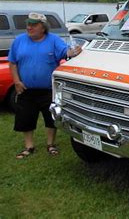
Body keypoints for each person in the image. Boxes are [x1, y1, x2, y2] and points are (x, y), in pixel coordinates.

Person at [8, 12, 82, 159]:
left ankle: (51, 144)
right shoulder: (19, 41)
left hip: (48, 89)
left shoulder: (53, 40)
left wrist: (74, 51)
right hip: (25, 89)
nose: (29, 27)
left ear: (43, 28)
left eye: (34, 25)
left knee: (50, 118)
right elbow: (12, 62)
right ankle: (29, 146)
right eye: (28, 24)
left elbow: (66, 52)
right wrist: (16, 81)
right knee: (25, 117)